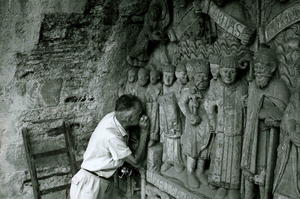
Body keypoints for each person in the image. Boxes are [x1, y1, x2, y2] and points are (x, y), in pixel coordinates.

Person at [70, 94, 149, 199]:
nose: (141, 116)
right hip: (90, 186)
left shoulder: (114, 117)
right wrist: (144, 132)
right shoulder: (111, 136)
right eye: (139, 113)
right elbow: (136, 162)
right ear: (128, 118)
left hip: (98, 181)